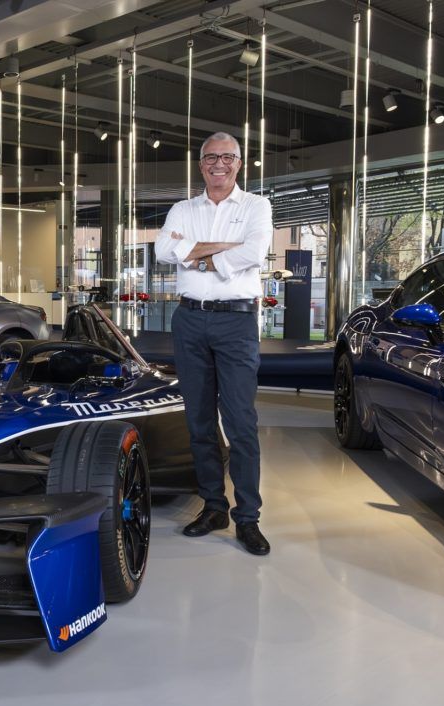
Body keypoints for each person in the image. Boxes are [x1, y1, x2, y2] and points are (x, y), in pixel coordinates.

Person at [154, 131, 273, 556]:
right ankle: (213, 507)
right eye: (210, 157)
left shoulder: (256, 206)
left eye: (227, 157)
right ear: (200, 163)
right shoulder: (183, 209)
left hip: (236, 322)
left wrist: (197, 255)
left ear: (239, 162)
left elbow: (254, 253)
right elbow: (162, 250)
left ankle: (248, 517)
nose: (218, 164)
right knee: (199, 421)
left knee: (240, 422)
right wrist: (223, 251)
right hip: (189, 319)